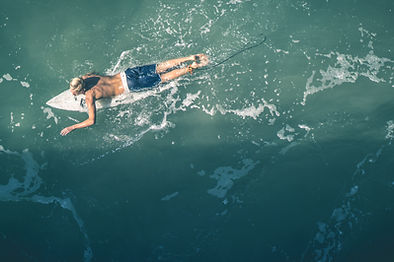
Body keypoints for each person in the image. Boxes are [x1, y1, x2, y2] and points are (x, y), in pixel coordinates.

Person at [60, 54, 209, 136]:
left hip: (129, 86)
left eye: (74, 91)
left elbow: (91, 120)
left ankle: (191, 67)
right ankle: (189, 57)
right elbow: (95, 72)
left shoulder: (89, 96)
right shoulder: (88, 77)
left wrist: (73, 127)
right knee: (160, 66)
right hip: (128, 73)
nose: (73, 93)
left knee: (163, 78)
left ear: (80, 90)